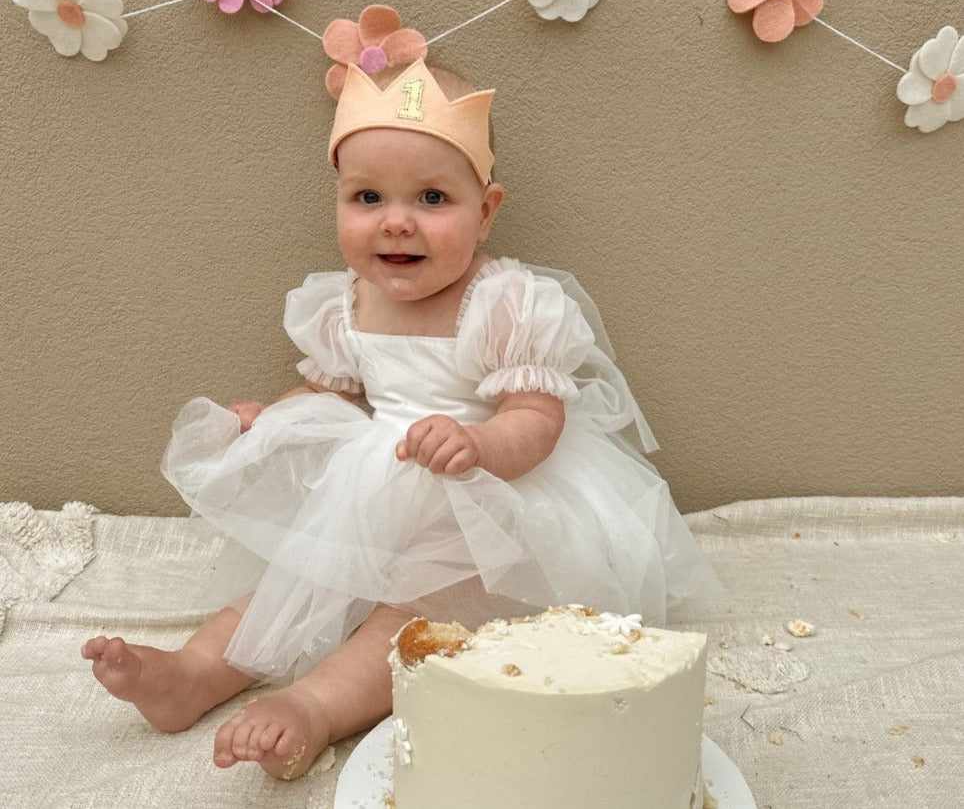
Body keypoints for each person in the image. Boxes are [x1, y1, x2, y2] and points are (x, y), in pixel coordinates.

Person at [82, 56, 720, 781]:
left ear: (485, 210)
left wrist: (477, 443)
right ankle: (193, 673)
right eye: (367, 196)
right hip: (376, 491)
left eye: (431, 197)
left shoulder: (507, 304)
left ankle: (313, 709)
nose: (397, 220)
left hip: (485, 512)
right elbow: (337, 396)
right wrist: (273, 421)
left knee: (409, 618)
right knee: (298, 582)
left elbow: (538, 420)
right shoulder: (347, 304)